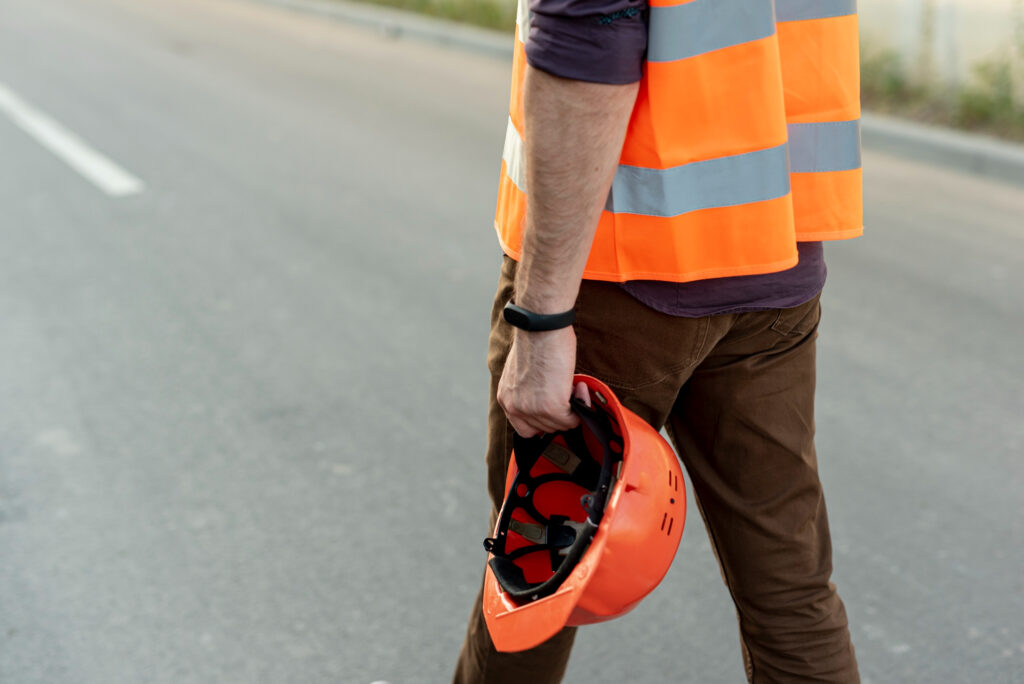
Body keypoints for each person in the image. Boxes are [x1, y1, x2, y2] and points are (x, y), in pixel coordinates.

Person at [454, 0, 863, 681]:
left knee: (537, 576)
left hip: (619, 275)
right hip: (774, 254)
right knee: (790, 594)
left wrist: (543, 319)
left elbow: (588, 45)